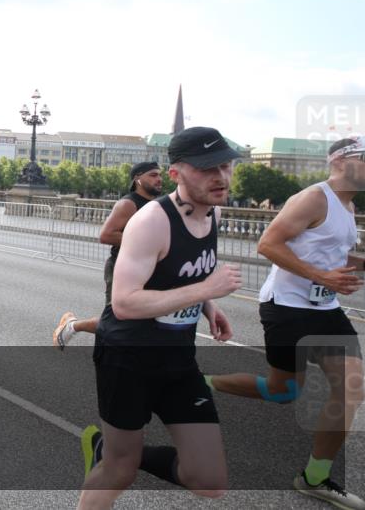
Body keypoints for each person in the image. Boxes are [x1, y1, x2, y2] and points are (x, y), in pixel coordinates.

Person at [79, 127, 242, 509]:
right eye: (206, 169)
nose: (220, 176)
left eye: (225, 165)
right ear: (176, 175)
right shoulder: (150, 221)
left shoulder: (213, 210)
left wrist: (208, 307)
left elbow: (188, 271)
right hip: (128, 357)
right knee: (119, 471)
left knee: (210, 481)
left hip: (178, 360)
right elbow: (124, 303)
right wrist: (205, 292)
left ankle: (113, 451)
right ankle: (114, 456)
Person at [207, 135, 365, 509]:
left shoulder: (347, 204)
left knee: (350, 385)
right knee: (284, 390)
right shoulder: (314, 197)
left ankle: (314, 477)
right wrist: (323, 277)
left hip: (324, 310)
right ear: (341, 162)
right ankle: (198, 381)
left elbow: (328, 253)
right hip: (289, 307)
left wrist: (350, 267)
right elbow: (268, 244)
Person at [54, 162, 162, 349]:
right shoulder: (129, 204)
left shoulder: (158, 204)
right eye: (153, 175)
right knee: (116, 320)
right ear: (138, 178)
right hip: (123, 268)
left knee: (147, 320)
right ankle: (72, 326)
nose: (159, 179)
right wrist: (149, 245)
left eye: (160, 175)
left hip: (150, 269)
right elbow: (106, 235)